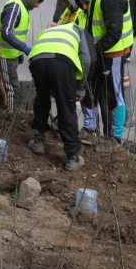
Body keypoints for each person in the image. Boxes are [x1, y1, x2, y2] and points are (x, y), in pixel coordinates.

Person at [77, 0, 133, 148]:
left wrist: (95, 50)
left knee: (113, 96)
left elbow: (114, 33)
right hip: (101, 54)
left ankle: (115, 138)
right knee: (91, 89)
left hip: (113, 55)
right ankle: (90, 129)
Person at [27, 22, 92, 172]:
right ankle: (73, 157)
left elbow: (41, 49)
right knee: (66, 107)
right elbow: (87, 60)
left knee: (41, 101)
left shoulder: (49, 30)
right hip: (62, 62)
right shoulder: (78, 30)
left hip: (37, 60)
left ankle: (38, 141)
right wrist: (80, 87)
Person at [0, 0, 46, 113]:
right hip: (4, 54)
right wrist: (24, 48)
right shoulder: (15, 7)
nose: (37, 5)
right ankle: (10, 119)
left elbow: (16, 34)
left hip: (11, 54)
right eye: (38, 2)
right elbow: (7, 32)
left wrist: (19, 51)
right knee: (13, 89)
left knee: (6, 86)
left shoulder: (22, 7)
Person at [74, 0, 98, 139]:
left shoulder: (98, 14)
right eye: (81, 3)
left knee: (91, 94)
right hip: (84, 58)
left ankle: (91, 128)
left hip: (95, 57)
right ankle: (90, 126)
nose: (84, 7)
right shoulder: (80, 14)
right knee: (86, 93)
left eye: (86, 3)